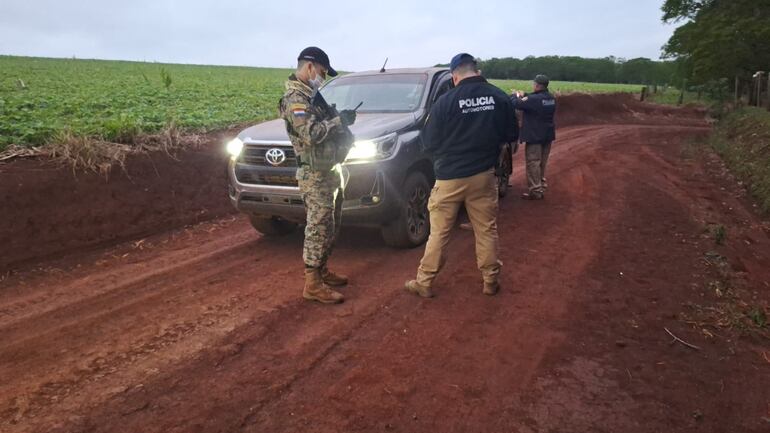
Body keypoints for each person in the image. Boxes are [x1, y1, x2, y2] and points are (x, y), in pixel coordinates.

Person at [404, 53, 518, 298]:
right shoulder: (499, 97)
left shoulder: (445, 102)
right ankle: (490, 281)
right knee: (486, 229)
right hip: (483, 175)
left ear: (454, 76)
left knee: (439, 233)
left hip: (449, 177)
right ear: (476, 71)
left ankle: (424, 282)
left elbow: (429, 142)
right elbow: (511, 134)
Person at [279, 47, 357, 304]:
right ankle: (312, 284)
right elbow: (310, 134)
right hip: (313, 173)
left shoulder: (311, 95)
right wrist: (338, 122)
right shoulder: (295, 99)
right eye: (322, 72)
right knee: (318, 226)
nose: (322, 78)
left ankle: (322, 271)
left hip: (328, 169)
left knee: (330, 224)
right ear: (310, 66)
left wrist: (341, 122)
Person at [512, 75, 556, 200]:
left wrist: (516, 95)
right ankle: (541, 185)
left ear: (536, 85)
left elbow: (516, 103)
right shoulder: (551, 98)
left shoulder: (533, 100)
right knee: (542, 162)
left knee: (533, 163)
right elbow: (535, 98)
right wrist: (525, 94)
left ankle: (535, 190)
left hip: (535, 136)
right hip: (547, 135)